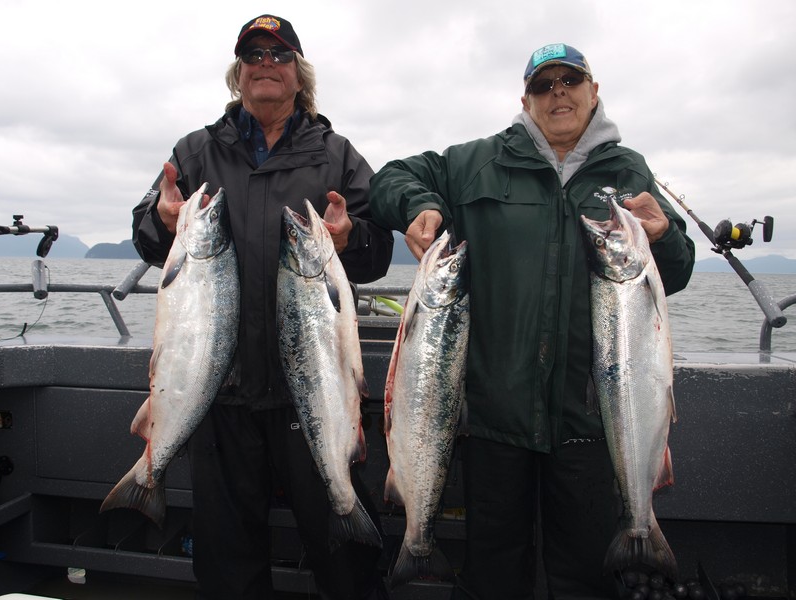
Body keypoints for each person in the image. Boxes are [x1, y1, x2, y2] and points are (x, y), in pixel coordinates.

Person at [370, 43, 695, 599]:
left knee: (583, 578)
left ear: (595, 92)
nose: (559, 92)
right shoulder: (477, 162)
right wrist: (418, 204)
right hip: (498, 420)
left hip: (593, 423)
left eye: (571, 80)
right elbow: (390, 178)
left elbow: (678, 272)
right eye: (544, 85)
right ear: (526, 100)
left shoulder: (628, 169)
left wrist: (665, 238)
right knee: (493, 576)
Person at [131, 14, 393, 600]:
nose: (265, 64)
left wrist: (353, 239)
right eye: (253, 55)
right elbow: (146, 238)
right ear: (237, 76)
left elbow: (378, 249)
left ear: (299, 75)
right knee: (226, 567)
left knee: (347, 563)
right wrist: (162, 220)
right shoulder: (195, 152)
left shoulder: (336, 155)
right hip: (217, 393)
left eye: (278, 55)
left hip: (315, 392)